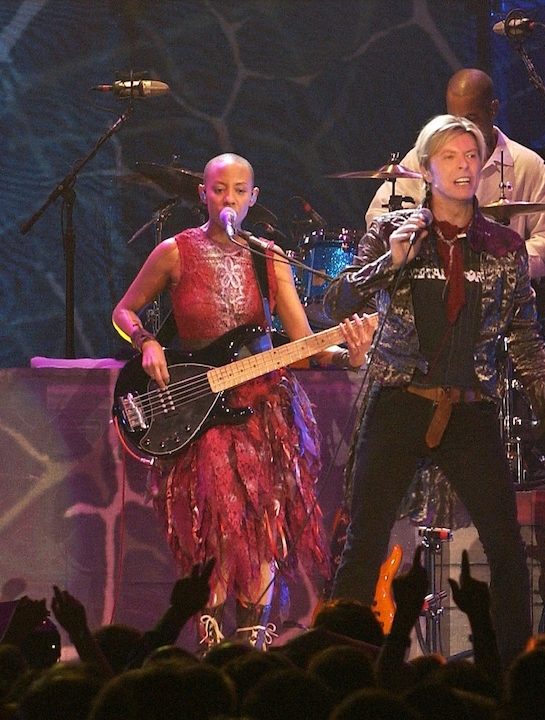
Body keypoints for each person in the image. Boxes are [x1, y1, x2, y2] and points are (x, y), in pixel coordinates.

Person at [325, 115, 545, 664]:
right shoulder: (392, 232)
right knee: (363, 543)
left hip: (469, 408)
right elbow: (336, 301)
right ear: (425, 168)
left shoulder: (504, 246)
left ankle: (512, 673)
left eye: (471, 156)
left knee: (506, 548)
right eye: (450, 157)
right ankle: (340, 667)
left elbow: (526, 340)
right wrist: (390, 262)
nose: (464, 166)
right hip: (399, 400)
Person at [111, 152, 374, 647]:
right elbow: (123, 311)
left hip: (263, 411)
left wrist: (349, 355)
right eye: (218, 190)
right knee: (215, 535)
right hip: (200, 413)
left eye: (238, 191)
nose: (228, 200)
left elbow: (303, 347)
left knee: (261, 536)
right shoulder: (174, 251)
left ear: (253, 199)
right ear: (202, 194)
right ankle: (212, 648)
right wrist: (145, 341)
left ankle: (254, 647)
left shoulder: (269, 257)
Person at [365, 68, 545, 281]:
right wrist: (412, 250)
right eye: (455, 119)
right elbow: (378, 215)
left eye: (471, 118)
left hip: (503, 290)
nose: (462, 129)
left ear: (493, 109)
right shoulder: (423, 159)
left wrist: (508, 264)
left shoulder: (528, 165)